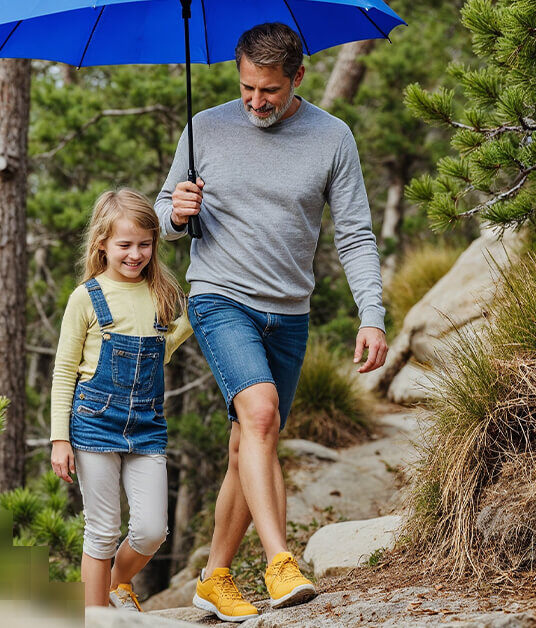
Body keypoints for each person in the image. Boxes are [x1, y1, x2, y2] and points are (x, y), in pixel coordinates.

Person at [155, 23, 389, 622]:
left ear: (298, 78)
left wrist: (372, 314)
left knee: (248, 443)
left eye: (270, 92)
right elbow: (161, 213)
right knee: (259, 414)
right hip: (220, 296)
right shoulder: (203, 126)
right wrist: (177, 215)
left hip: (289, 311)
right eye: (246, 89)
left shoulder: (332, 138)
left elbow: (357, 234)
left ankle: (214, 576)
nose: (256, 103)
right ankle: (280, 562)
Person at [48, 189, 193, 611]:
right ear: (102, 244)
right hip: (94, 423)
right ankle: (94, 618)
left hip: (146, 425)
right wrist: (60, 439)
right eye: (124, 245)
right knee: (102, 531)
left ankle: (116, 583)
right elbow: (63, 372)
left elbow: (157, 354)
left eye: (144, 244)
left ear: (155, 243)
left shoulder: (162, 293)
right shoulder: (86, 297)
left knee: (151, 530)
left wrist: (187, 324)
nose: (135, 254)